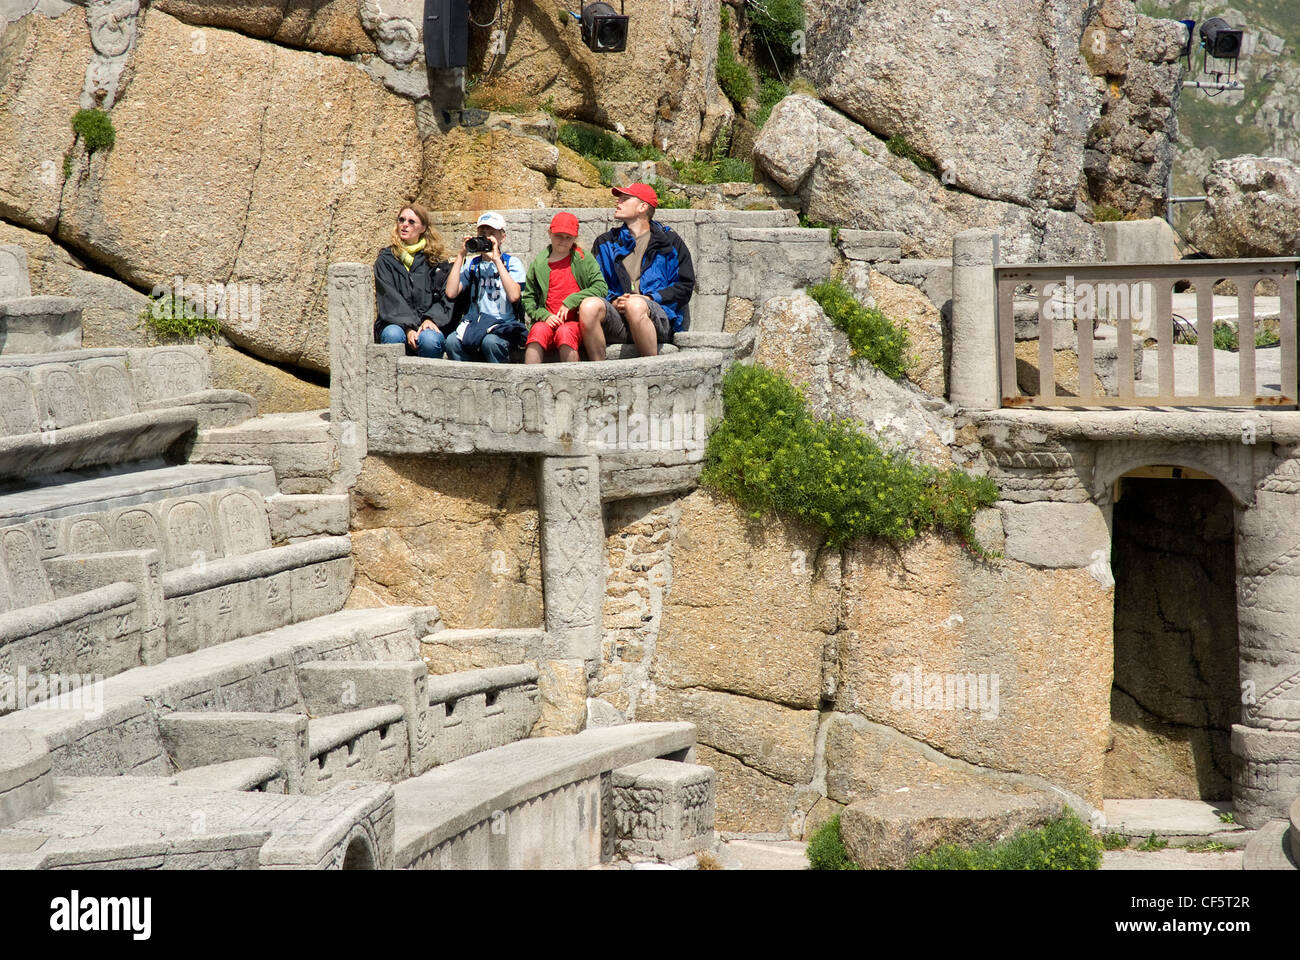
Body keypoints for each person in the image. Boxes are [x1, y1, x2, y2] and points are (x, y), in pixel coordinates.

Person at [578, 182, 695, 360]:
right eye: (619, 198)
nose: (618, 202)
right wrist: (614, 301)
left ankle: (650, 374)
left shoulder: (669, 241)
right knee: (588, 306)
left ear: (642, 206)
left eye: (625, 199)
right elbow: (595, 285)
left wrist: (649, 298)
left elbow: (684, 286)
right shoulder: (605, 242)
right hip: (616, 319)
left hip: (656, 320)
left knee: (635, 304)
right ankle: (599, 374)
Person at [521, 212, 608, 364]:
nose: (563, 241)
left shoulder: (583, 259)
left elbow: (600, 287)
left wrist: (573, 300)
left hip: (574, 322)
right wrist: (544, 315)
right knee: (536, 333)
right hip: (546, 320)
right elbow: (529, 298)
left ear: (575, 238)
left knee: (565, 333)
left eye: (568, 237)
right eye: (558, 236)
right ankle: (529, 383)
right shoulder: (539, 263)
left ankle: (571, 382)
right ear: (550, 233)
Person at [444, 211, 528, 363]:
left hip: (503, 325)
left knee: (490, 343)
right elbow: (451, 292)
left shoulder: (511, 263)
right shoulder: (472, 264)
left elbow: (515, 295)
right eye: (482, 233)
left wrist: (496, 260)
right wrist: (461, 256)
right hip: (476, 323)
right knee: (452, 342)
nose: (486, 237)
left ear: (502, 238)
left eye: (491, 233)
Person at [373, 202, 455, 357]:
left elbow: (444, 296)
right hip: (394, 322)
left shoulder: (435, 260)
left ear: (423, 228)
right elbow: (389, 298)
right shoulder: (386, 259)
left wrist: (430, 319)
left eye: (411, 222)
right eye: (401, 220)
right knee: (393, 335)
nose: (405, 225)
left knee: (430, 339)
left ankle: (429, 380)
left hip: (428, 321)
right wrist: (408, 328)